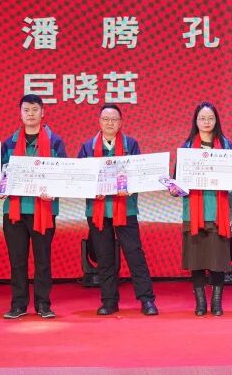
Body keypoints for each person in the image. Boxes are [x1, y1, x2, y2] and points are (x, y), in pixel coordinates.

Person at [76, 104, 158, 316]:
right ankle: (109, 301)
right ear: (99, 122)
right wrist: (93, 190)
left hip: (125, 207)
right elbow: (80, 177)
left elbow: (139, 175)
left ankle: (147, 300)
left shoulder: (131, 144)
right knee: (104, 257)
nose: (110, 123)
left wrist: (129, 188)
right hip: (98, 210)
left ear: (121, 123)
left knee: (134, 254)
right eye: (106, 119)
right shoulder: (87, 147)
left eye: (114, 119)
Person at [0, 94, 67, 319]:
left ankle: (43, 304)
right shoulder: (9, 143)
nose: (30, 114)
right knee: (17, 261)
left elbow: (63, 173)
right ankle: (18, 305)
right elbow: (1, 173)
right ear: (20, 114)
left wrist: (54, 190)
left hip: (43, 210)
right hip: (14, 211)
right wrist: (0, 188)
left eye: (34, 110)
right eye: (26, 110)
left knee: (42, 260)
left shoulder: (55, 142)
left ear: (42, 112)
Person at [171, 103, 232, 317]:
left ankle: (216, 302)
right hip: (193, 213)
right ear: (196, 121)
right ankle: (200, 302)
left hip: (219, 212)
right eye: (202, 118)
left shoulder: (226, 146)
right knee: (197, 259)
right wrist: (174, 189)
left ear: (216, 120)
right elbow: (177, 183)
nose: (206, 122)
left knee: (218, 260)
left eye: (210, 118)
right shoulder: (186, 149)